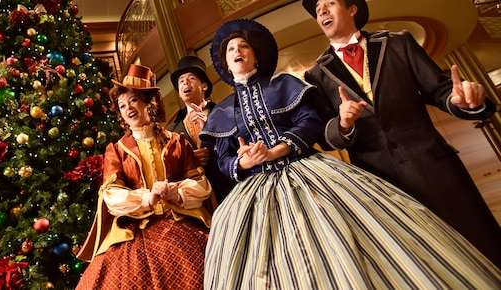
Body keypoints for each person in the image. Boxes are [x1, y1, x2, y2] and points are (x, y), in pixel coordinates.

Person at [199, 18, 501, 289]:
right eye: (230, 50)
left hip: (307, 173)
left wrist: (279, 149)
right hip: (255, 191)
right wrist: (244, 161)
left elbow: (310, 122)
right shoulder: (224, 110)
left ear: (256, 55)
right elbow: (224, 159)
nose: (237, 51)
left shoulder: (286, 84)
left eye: (243, 46)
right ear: (225, 65)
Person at [302, 0, 501, 267]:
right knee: (420, 263)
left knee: (478, 244)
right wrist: (342, 124)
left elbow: (440, 91)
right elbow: (324, 135)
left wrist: (462, 101)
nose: (322, 12)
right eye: (318, 10)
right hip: (381, 182)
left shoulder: (398, 42)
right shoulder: (316, 74)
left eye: (329, 3)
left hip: (433, 167)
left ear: (352, 8)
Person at [75, 64, 213, 290]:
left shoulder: (177, 141)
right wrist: (147, 198)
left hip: (179, 220)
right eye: (121, 105)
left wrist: (176, 193)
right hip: (134, 229)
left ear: (150, 104)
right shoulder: (117, 149)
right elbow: (111, 195)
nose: (127, 108)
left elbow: (200, 183)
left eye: (133, 101)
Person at [166, 55, 236, 204]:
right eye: (181, 81)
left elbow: (238, 144)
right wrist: (190, 161)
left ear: (204, 86)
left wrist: (211, 133)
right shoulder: (172, 130)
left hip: (231, 187)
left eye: (191, 78)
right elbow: (171, 168)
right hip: (200, 201)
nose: (185, 82)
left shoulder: (225, 111)